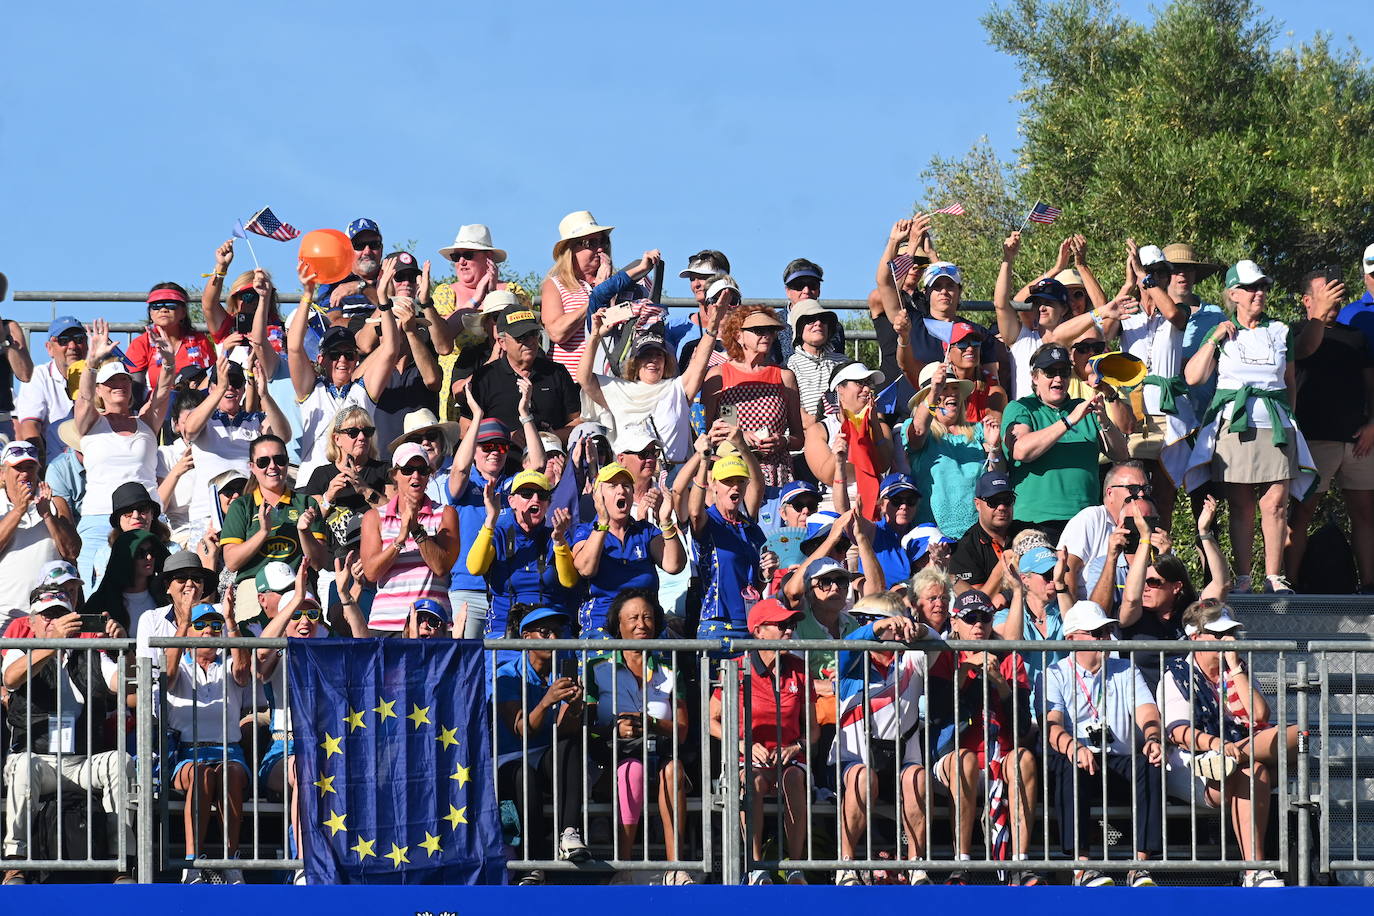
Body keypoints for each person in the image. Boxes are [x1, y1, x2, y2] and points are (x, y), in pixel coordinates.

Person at [1184, 260, 1316, 593]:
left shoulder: (1280, 330)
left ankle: (1273, 576)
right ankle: (1243, 577)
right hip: (1234, 424)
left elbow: (1289, 383)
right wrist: (1214, 338)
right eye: (1251, 287)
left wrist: (1291, 422)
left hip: (1275, 423)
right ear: (1233, 294)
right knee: (1241, 504)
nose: (1259, 293)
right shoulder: (1222, 329)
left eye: (1262, 287)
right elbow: (1193, 377)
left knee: (1275, 504)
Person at [1156, 599, 1299, 887]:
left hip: (1236, 759)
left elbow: (1259, 715)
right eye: (1219, 635)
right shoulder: (1176, 674)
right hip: (1195, 765)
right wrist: (1217, 744)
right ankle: (1234, 757)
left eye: (1231, 633)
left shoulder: (1236, 670)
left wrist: (1235, 669)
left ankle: (1254, 871)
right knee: (1266, 755)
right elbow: (1177, 732)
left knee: (1293, 738)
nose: (1229, 640)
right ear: (1195, 637)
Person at [1, 592, 135, 886]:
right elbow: (11, 679)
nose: (55, 621)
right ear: (32, 622)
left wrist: (124, 647)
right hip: (39, 761)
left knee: (120, 761)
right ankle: (15, 863)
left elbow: (128, 688)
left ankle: (120, 862)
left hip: (82, 762)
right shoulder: (18, 649)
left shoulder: (90, 654)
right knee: (23, 766)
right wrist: (53, 644)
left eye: (61, 614)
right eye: (47, 616)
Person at [1042, 600, 1164, 887]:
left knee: (1152, 761)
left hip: (1117, 759)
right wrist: (1074, 747)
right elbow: (1052, 725)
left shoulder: (1125, 669)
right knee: (1068, 765)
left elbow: (1147, 711)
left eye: (1106, 631)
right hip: (1079, 758)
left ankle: (1140, 866)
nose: (1103, 638)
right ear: (1071, 639)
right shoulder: (1055, 673)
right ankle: (1082, 869)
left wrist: (1153, 738)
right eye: (1095, 633)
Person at [926, 589, 1039, 885]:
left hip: (1000, 755)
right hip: (954, 757)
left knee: (1023, 759)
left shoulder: (1008, 658)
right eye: (970, 618)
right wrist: (964, 673)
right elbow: (938, 715)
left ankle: (1020, 865)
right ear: (956, 622)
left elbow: (1023, 726)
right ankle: (960, 864)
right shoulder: (945, 656)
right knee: (964, 760)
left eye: (985, 618)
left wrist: (1001, 684)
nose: (978, 624)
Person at [585, 589, 694, 885]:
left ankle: (677, 868)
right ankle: (624, 866)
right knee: (631, 771)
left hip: (659, 756)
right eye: (632, 618)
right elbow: (587, 724)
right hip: (609, 762)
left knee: (675, 771)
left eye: (647, 617)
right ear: (616, 625)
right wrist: (614, 730)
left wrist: (652, 724)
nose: (641, 624)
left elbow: (682, 730)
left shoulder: (670, 670)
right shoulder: (596, 669)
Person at [708, 599, 816, 886]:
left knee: (794, 778)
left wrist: (796, 747)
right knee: (752, 782)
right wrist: (742, 743)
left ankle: (796, 867)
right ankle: (755, 867)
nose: (789, 632)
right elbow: (711, 721)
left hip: (790, 760)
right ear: (758, 631)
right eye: (781, 626)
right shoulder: (735, 668)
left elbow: (813, 731)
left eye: (791, 625)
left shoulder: (799, 668)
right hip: (748, 760)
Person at [832, 611, 938, 887]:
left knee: (918, 777)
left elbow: (937, 641)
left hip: (902, 761)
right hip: (855, 763)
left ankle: (917, 869)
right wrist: (875, 628)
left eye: (890, 623)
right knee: (862, 777)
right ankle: (846, 867)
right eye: (878, 625)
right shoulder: (851, 666)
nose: (885, 630)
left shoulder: (911, 660)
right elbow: (847, 645)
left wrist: (919, 629)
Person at [1286, 267, 1374, 589]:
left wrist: (1372, 424)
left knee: (1365, 515)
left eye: (1337, 291)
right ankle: (1290, 586)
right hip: (1313, 440)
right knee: (1301, 515)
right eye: (1325, 292)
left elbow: (1370, 386)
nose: (1333, 298)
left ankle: (1368, 587)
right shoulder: (1293, 333)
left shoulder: (1356, 337)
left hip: (1357, 441)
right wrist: (1318, 320)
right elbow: (1304, 352)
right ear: (1307, 300)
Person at [577, 273, 719, 463]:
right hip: (629, 479)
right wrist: (594, 337)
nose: (653, 360)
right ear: (634, 362)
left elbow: (700, 363)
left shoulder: (676, 388)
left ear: (666, 361)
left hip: (673, 478)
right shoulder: (618, 389)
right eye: (645, 355)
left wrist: (713, 326)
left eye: (658, 355)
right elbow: (584, 379)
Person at [73, 320, 172, 585]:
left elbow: (162, 393)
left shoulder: (146, 422)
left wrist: (170, 362)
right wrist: (92, 363)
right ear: (98, 389)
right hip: (99, 519)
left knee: (155, 593)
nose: (119, 384)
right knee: (96, 595)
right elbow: (83, 399)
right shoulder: (91, 423)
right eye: (111, 381)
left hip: (147, 520)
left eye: (124, 379)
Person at [494, 605, 588, 885]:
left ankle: (570, 833)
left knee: (571, 744)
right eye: (544, 632)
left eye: (556, 633)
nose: (552, 639)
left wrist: (573, 707)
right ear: (525, 637)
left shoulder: (561, 673)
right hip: (510, 759)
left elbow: (563, 730)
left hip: (546, 755)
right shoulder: (507, 675)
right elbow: (522, 729)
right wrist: (547, 700)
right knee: (525, 776)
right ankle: (532, 863)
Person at [1001, 343, 1130, 543]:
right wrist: (1069, 421)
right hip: (1036, 521)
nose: (1058, 379)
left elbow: (1121, 454)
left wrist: (1104, 420)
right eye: (1050, 372)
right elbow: (1021, 450)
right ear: (1035, 377)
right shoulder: (1021, 408)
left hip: (1085, 520)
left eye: (1064, 372)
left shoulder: (1081, 407)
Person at [161, 599, 250, 884]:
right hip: (187, 753)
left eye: (215, 625)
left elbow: (243, 670)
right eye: (201, 625)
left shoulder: (228, 663)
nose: (209, 631)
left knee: (231, 774)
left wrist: (232, 623)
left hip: (229, 752)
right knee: (202, 776)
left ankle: (231, 859)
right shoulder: (180, 665)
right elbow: (168, 675)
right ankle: (192, 864)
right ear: (189, 631)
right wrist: (184, 623)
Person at [288, 264, 400, 474]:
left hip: (358, 488)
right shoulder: (311, 390)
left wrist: (384, 301)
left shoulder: (363, 391)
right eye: (334, 355)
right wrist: (307, 295)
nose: (342, 360)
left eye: (348, 355)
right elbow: (294, 347)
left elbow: (390, 350)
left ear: (356, 359)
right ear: (321, 359)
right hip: (314, 491)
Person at [253, 574, 325, 886]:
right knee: (301, 768)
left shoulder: (328, 652)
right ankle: (300, 862)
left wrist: (348, 601)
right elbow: (259, 656)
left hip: (323, 749)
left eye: (311, 613)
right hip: (282, 752)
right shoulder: (276, 655)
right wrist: (293, 601)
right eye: (296, 613)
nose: (305, 620)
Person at [179, 351, 290, 545]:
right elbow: (189, 430)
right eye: (223, 382)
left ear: (242, 389)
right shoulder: (205, 418)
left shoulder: (255, 420)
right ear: (212, 387)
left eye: (236, 383)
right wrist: (219, 391)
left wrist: (264, 395)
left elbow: (283, 437)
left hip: (246, 511)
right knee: (206, 572)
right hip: (207, 514)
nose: (230, 387)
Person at [218, 435, 330, 622]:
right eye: (263, 461)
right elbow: (231, 561)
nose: (272, 466)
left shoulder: (305, 502)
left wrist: (304, 532)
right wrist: (263, 532)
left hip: (296, 585)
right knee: (254, 648)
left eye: (279, 459)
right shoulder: (242, 506)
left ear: (287, 463)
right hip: (253, 588)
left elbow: (319, 562)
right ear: (252, 467)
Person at [571, 463, 684, 637]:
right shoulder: (585, 531)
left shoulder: (645, 531)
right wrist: (602, 523)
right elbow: (585, 569)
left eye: (626, 485)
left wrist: (666, 520)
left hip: (646, 627)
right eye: (612, 485)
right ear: (598, 496)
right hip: (603, 627)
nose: (621, 490)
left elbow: (674, 565)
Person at [360, 443, 460, 635]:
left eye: (422, 470)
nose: (416, 476)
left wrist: (416, 530)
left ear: (429, 474)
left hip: (432, 624)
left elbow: (441, 566)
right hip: (387, 624)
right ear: (394, 475)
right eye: (407, 470)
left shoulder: (446, 513)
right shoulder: (374, 517)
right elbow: (371, 573)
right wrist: (400, 540)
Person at [467, 468, 579, 640]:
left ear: (548, 504)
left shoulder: (557, 535)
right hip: (504, 629)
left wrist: (559, 541)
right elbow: (475, 568)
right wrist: (490, 519)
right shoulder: (498, 533)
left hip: (550, 631)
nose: (535, 499)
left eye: (542, 495)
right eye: (527, 493)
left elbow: (569, 581)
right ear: (511, 501)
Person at [702, 305, 805, 492]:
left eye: (770, 330)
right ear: (738, 336)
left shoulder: (784, 376)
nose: (766, 335)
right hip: (733, 472)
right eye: (758, 330)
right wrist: (738, 437)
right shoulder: (719, 376)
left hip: (776, 471)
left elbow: (799, 438)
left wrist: (782, 441)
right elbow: (705, 433)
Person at [903, 361, 1002, 539]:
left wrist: (994, 447)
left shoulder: (979, 431)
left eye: (955, 388)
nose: (951, 394)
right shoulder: (916, 429)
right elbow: (917, 432)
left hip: (976, 536)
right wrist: (934, 391)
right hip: (932, 537)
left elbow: (996, 478)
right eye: (944, 389)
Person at [685, 434, 766, 640]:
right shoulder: (709, 521)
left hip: (751, 622)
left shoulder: (751, 529)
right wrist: (704, 461)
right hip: (717, 623)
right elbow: (694, 512)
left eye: (740, 481)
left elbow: (755, 584)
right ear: (714, 485)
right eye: (728, 481)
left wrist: (766, 573)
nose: (735, 486)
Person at [463, 303, 581, 444]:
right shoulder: (484, 377)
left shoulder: (557, 373)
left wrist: (548, 438)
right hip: (502, 460)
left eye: (533, 334)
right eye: (521, 337)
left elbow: (577, 421)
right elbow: (464, 428)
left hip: (552, 460)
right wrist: (506, 436)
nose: (530, 341)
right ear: (502, 342)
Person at [1059, 461, 1170, 600]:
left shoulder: (1148, 518)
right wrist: (1072, 615)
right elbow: (1067, 569)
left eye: (1146, 489)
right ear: (1110, 493)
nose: (1141, 494)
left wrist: (1166, 557)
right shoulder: (1092, 519)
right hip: (1090, 607)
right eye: (1133, 488)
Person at [0, 441, 79, 630]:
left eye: (30, 467)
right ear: (3, 473)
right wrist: (19, 509)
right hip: (5, 615)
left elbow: (72, 552)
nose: (25, 473)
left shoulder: (55, 503)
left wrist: (48, 516)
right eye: (18, 468)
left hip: (51, 615)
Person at [803, 360, 894, 517]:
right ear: (840, 389)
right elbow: (826, 476)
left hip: (873, 505)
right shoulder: (819, 430)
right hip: (832, 506)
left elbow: (883, 465)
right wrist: (844, 440)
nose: (867, 389)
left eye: (869, 383)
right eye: (860, 383)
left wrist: (875, 428)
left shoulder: (881, 428)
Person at [541, 210, 621, 379]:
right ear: (571, 249)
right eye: (590, 243)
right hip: (571, 381)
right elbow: (556, 333)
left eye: (603, 241)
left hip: (612, 379)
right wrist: (598, 294)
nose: (600, 248)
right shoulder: (555, 284)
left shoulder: (619, 281)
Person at [15, 316, 87, 462]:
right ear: (49, 348)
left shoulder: (100, 373)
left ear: (87, 344)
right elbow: (30, 428)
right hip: (56, 461)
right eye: (64, 340)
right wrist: (42, 469)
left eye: (79, 339)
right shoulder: (38, 376)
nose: (72, 346)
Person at [126, 283, 217, 392]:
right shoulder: (140, 343)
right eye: (156, 305)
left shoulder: (200, 340)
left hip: (197, 403)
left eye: (171, 304)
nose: (163, 309)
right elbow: (136, 389)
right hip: (155, 405)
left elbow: (213, 378)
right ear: (150, 313)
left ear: (183, 312)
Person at [993, 545, 1066, 680]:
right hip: (1025, 699)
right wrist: (1017, 590)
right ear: (1025, 579)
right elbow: (1011, 643)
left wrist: (1060, 583)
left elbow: (1076, 629)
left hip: (1066, 698)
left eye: (1056, 573)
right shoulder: (1005, 615)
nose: (1053, 580)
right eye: (1047, 575)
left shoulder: (1066, 609)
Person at [948, 470, 1018, 598]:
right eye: (993, 501)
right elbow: (979, 601)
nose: (1001, 507)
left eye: (1007, 500)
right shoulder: (965, 547)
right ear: (977, 504)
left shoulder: (1028, 533)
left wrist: (1005, 596)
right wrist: (1004, 565)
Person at [85, 529, 168, 635]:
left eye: (152, 551)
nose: (149, 557)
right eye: (140, 553)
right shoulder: (101, 602)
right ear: (125, 558)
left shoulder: (164, 597)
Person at [785, 300, 847, 421]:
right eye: (810, 319)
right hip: (808, 435)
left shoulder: (844, 362)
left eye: (823, 319)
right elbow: (797, 416)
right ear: (799, 328)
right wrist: (826, 428)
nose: (818, 323)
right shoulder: (790, 366)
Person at [667, 249, 731, 362]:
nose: (696, 284)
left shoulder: (742, 325)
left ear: (723, 280)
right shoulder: (675, 326)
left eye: (703, 277)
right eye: (692, 279)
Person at [909, 565, 952, 634]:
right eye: (933, 598)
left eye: (944, 598)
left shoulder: (958, 631)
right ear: (914, 604)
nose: (939, 604)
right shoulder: (907, 633)